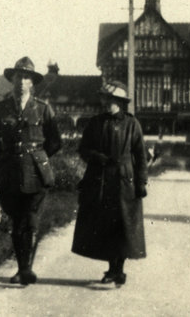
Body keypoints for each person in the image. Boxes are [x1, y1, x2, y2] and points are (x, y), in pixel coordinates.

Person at [0, 56, 62, 285]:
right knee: (17, 220)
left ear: (32, 83)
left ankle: (24, 269)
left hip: (35, 173)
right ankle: (23, 267)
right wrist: (4, 155)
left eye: (26, 77)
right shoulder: (1, 109)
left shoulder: (42, 109)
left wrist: (38, 157)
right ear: (12, 80)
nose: (21, 81)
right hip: (9, 172)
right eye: (18, 77)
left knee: (28, 219)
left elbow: (55, 141)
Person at [71, 80, 148, 286]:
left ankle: (117, 271)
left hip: (124, 181)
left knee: (122, 226)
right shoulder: (96, 123)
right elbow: (83, 149)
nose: (107, 103)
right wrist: (96, 157)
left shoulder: (132, 124)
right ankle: (114, 270)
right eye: (105, 98)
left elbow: (140, 156)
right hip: (101, 179)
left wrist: (141, 182)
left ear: (121, 102)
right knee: (104, 225)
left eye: (112, 100)